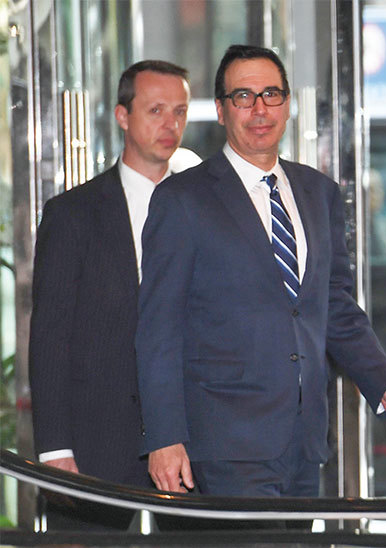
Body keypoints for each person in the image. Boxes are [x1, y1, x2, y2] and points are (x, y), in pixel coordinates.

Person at [136, 44, 386, 498]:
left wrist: (382, 383)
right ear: (221, 110)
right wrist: (164, 437)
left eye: (271, 94)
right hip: (225, 444)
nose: (259, 109)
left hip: (305, 442)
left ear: (287, 104)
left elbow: (335, 306)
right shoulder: (183, 199)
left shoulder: (319, 193)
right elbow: (158, 328)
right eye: (243, 97)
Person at [28, 60, 192, 526]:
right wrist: (54, 449)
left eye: (179, 111)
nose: (170, 124)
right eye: (156, 110)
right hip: (93, 443)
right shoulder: (72, 213)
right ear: (122, 115)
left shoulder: (204, 209)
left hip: (189, 444)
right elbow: (50, 338)